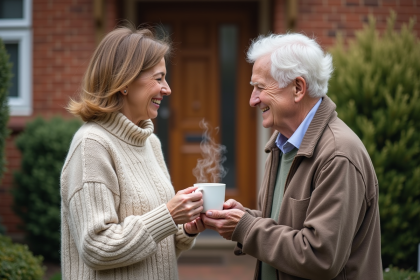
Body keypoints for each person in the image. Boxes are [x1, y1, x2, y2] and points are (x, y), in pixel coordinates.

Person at [202, 33, 383, 280]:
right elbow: (286, 225)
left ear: (298, 88)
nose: (252, 100)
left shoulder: (338, 155)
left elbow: (321, 257)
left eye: (260, 88)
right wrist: (244, 217)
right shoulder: (281, 146)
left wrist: (246, 227)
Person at [61, 26, 205, 280]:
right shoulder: (92, 145)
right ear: (125, 82)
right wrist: (169, 214)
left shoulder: (150, 143)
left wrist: (187, 228)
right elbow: (97, 247)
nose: (167, 88)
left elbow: (158, 247)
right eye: (159, 78)